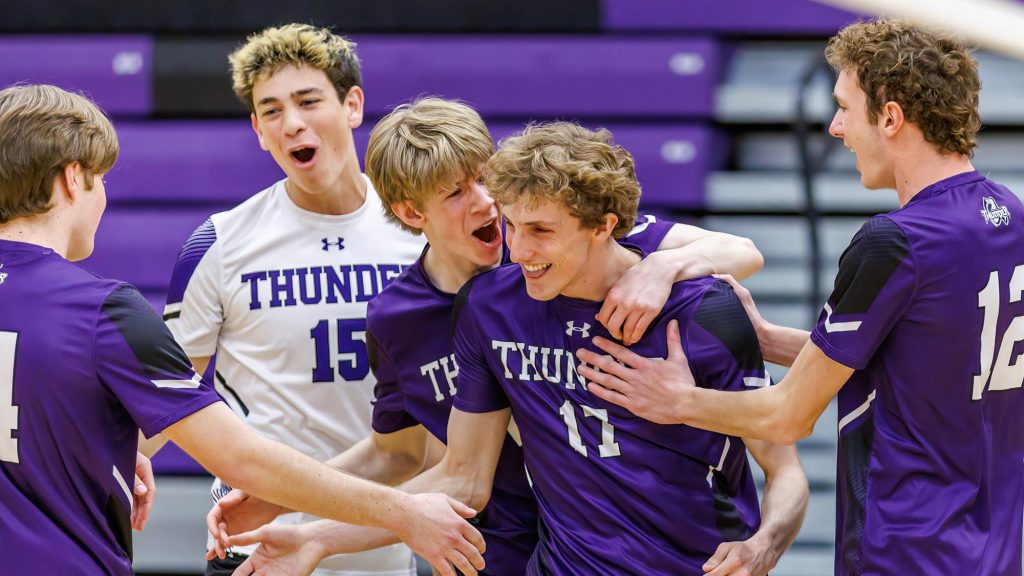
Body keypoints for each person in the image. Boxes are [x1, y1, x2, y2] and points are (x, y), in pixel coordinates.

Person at [215, 121, 807, 575]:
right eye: (457, 193)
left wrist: (763, 546)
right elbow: (443, 470)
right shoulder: (485, 307)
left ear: (604, 227)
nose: (509, 236)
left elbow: (783, 455)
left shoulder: (690, 297)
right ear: (410, 212)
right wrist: (309, 525)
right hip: (516, 553)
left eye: (485, 185)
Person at [575, 19, 1024, 576]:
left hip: (909, 550)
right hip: (997, 548)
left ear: (890, 117)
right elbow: (921, 359)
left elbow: (787, 417)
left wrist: (677, 402)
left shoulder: (896, 241)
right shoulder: (1008, 214)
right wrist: (763, 340)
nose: (835, 127)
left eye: (844, 106)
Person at [0, 84, 485, 576]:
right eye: (100, 177)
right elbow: (242, 459)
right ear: (72, 180)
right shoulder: (104, 310)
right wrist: (406, 512)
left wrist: (113, 450)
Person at [160, 24, 424, 576]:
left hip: (380, 542)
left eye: (308, 101)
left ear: (352, 105)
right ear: (257, 129)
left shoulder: (422, 232)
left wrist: (662, 256)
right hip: (254, 543)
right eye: (272, 110)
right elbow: (165, 399)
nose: (293, 123)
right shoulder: (220, 242)